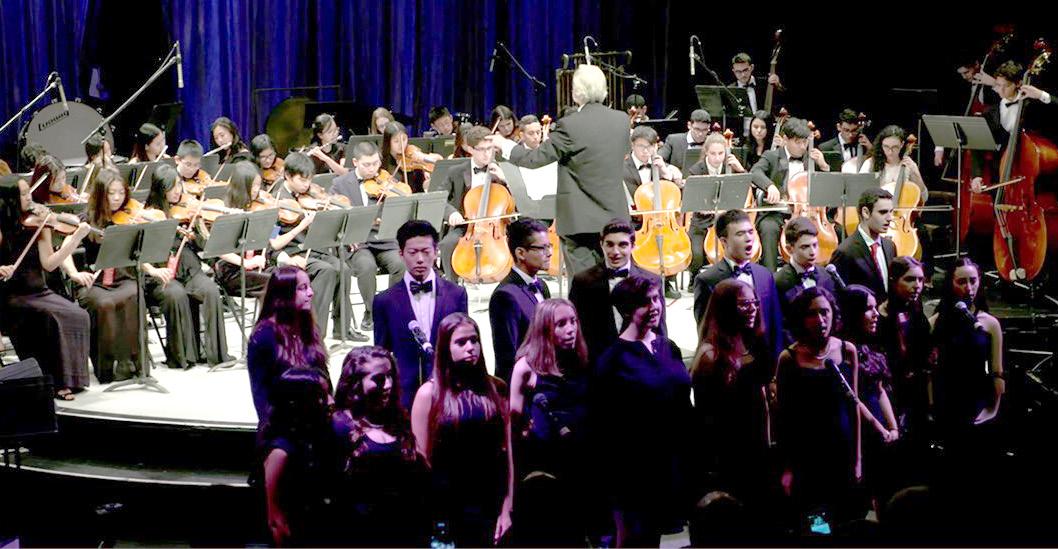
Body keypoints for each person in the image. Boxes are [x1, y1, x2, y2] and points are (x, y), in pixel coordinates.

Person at [489, 64, 633, 274]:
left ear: (576, 93)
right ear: (604, 89)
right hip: (615, 217)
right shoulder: (621, 120)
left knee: (584, 284)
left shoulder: (570, 125)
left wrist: (504, 144)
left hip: (580, 221)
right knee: (616, 280)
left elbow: (534, 159)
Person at [591, 274, 693, 547]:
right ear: (627, 310)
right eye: (645, 302)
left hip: (672, 463)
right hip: (636, 472)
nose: (655, 306)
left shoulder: (667, 346)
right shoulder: (612, 360)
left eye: (657, 299)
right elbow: (606, 428)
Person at [410, 313, 514, 547]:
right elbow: (421, 462)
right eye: (461, 342)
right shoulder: (428, 395)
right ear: (446, 348)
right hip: (446, 509)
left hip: (489, 502)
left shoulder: (496, 388)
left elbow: (508, 453)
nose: (470, 347)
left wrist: (508, 505)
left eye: (474, 340)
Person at [0, 175, 93, 399]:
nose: (29, 197)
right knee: (48, 319)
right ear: (9, 199)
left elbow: (49, 264)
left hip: (39, 290)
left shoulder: (40, 222)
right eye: (23, 194)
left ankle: (72, 379)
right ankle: (53, 381)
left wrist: (75, 239)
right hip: (11, 295)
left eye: (29, 192)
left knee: (78, 315)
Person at [507, 298, 591, 546]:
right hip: (543, 470)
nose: (571, 329)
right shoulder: (526, 367)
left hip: (578, 465)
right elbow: (513, 427)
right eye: (561, 324)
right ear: (544, 328)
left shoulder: (580, 361)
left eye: (573, 321)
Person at [775, 286, 862, 522]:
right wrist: (787, 468)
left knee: (844, 519)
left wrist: (858, 460)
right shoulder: (789, 358)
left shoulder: (847, 350)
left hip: (841, 450)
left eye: (825, 312)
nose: (820, 320)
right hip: (807, 455)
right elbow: (784, 418)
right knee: (815, 523)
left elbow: (854, 406)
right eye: (812, 314)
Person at [332, 346, 430, 547]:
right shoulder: (341, 425)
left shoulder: (398, 420)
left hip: (405, 533)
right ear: (356, 383)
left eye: (390, 376)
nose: (388, 385)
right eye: (378, 379)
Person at [690, 279, 774, 511]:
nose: (752, 309)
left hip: (758, 445)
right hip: (730, 452)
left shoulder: (753, 342)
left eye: (754, 303)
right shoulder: (711, 355)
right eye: (744, 304)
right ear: (726, 308)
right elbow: (708, 418)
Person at [143, 165, 231, 368]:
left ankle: (217, 355)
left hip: (190, 269)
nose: (177, 191)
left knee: (210, 290)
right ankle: (183, 357)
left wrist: (198, 226)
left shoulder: (186, 211)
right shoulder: (150, 214)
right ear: (160, 189)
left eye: (179, 186)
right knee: (177, 294)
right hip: (162, 272)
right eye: (171, 187)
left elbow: (204, 247)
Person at [373, 220, 468, 409]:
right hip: (404, 397)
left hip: (449, 392)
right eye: (412, 252)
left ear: (436, 252)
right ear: (401, 254)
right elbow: (381, 355)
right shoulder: (384, 301)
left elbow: (464, 345)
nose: (420, 259)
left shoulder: (457, 294)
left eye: (426, 252)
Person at [270, 152, 363, 341]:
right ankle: (313, 333)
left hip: (314, 249)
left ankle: (343, 328)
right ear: (287, 176)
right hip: (292, 253)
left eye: (309, 180)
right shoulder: (276, 201)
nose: (307, 185)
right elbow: (272, 241)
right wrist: (302, 226)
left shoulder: (309, 195)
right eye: (302, 180)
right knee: (326, 271)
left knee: (344, 269)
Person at [68, 168, 143, 383]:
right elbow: (65, 249)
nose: (117, 198)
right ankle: (107, 368)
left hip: (122, 278)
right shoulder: (85, 219)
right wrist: (74, 273)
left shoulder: (127, 218)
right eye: (112, 193)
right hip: (94, 281)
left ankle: (132, 364)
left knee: (133, 295)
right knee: (105, 304)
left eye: (121, 192)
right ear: (101, 194)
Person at [929, 257, 1004, 458]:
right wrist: (932, 405)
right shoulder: (936, 322)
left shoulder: (989, 324)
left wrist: (993, 408)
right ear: (951, 284)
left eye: (973, 281)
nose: (968, 288)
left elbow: (997, 371)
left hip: (977, 400)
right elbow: (929, 370)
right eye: (961, 282)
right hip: (947, 401)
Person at [330, 141, 405, 331]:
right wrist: (348, 236)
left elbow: (401, 211)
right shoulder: (339, 184)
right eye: (367, 165)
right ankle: (372, 311)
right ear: (355, 162)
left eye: (376, 163)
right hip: (358, 242)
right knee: (366, 266)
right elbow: (334, 216)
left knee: (400, 264)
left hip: (384, 239)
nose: (372, 169)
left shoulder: (386, 182)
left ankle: (391, 307)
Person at [568, 218, 666, 362]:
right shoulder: (583, 281)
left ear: (633, 246)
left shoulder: (652, 280)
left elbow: (660, 329)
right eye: (609, 244)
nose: (615, 252)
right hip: (597, 362)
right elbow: (576, 328)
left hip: (640, 362)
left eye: (622, 245)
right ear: (601, 244)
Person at [837, 284, 900, 504]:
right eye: (868, 309)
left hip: (880, 423)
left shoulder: (871, 345)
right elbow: (853, 397)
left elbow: (879, 389)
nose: (876, 314)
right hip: (859, 427)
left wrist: (892, 427)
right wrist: (879, 428)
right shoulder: (842, 351)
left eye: (876, 307)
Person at [247, 265, 330, 431]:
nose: (311, 293)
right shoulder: (264, 336)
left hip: (316, 423)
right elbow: (261, 395)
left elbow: (325, 381)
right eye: (302, 288)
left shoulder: (309, 327)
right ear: (285, 294)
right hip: (283, 428)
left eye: (309, 287)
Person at [260, 367, 337, 546]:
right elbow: (275, 521)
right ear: (298, 402)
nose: (331, 401)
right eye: (321, 396)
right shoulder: (281, 453)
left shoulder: (315, 438)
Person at [692, 209, 783, 360]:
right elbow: (706, 333)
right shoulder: (707, 280)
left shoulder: (765, 275)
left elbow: (775, 324)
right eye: (740, 234)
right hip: (727, 362)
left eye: (750, 232)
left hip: (764, 362)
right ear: (724, 241)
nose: (749, 238)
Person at [749, 117, 830, 271]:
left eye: (805, 142)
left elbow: (826, 188)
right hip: (777, 213)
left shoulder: (812, 158)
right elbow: (755, 172)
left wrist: (824, 166)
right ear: (786, 139)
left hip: (806, 214)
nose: (803, 147)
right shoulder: (771, 156)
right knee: (768, 228)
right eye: (798, 142)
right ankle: (770, 276)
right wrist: (770, 186)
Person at [434, 125, 509, 281]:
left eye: (490, 148)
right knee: (447, 244)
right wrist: (452, 213)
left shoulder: (503, 169)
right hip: (467, 225)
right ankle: (452, 286)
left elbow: (521, 197)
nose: (487, 154)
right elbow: (439, 198)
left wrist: (506, 179)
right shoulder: (456, 171)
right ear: (470, 149)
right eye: (481, 149)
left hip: (498, 225)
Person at [488, 218, 552, 384]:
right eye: (543, 248)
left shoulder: (542, 285)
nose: (550, 253)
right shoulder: (504, 296)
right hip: (524, 385)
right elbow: (508, 356)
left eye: (549, 246)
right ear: (521, 253)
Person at [875, 256, 930, 437]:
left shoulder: (916, 311)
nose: (917, 285)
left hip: (917, 388)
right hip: (892, 389)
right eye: (910, 279)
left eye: (920, 280)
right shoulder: (880, 316)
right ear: (894, 281)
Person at [687, 132, 746, 276]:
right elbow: (692, 200)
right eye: (713, 154)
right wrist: (704, 207)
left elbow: (746, 189)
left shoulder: (731, 167)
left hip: (726, 221)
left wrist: (741, 170)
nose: (717, 158)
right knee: (696, 255)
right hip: (702, 222)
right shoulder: (696, 170)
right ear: (706, 152)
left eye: (721, 153)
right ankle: (695, 279)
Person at [215, 161, 271, 298]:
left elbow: (269, 238)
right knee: (276, 283)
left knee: (290, 277)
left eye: (258, 185)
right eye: (254, 185)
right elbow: (219, 249)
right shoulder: (226, 210)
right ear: (243, 186)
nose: (257, 190)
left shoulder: (255, 206)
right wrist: (246, 263)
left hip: (256, 265)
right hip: (233, 270)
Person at [829, 188, 896, 299]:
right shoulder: (845, 252)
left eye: (891, 212)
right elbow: (837, 295)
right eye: (883, 212)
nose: (890, 218)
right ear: (866, 212)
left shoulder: (890, 246)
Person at [775, 217, 838, 315]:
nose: (812, 252)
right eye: (805, 247)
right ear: (789, 249)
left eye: (815, 245)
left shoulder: (827, 276)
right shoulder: (778, 282)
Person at [860, 125, 927, 200]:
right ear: (881, 144)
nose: (890, 152)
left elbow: (924, 197)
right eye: (886, 146)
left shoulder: (909, 165)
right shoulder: (870, 163)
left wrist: (915, 171)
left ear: (902, 144)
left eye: (895, 147)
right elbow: (860, 192)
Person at [622, 124, 684, 201]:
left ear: (655, 146)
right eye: (640, 146)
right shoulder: (621, 168)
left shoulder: (664, 167)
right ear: (632, 145)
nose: (645, 151)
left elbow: (675, 194)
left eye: (649, 146)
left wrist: (665, 173)